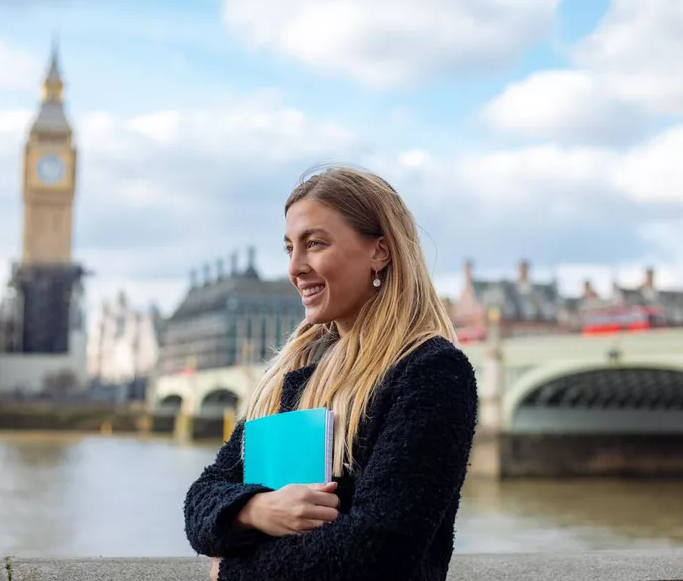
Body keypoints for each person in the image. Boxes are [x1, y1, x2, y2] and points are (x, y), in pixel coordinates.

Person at [183, 166, 479, 581]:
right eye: (290, 248)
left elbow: (380, 551)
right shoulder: (294, 370)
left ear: (380, 251)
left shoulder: (429, 371)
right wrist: (255, 510)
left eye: (315, 243)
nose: (295, 267)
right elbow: (203, 497)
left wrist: (231, 571)